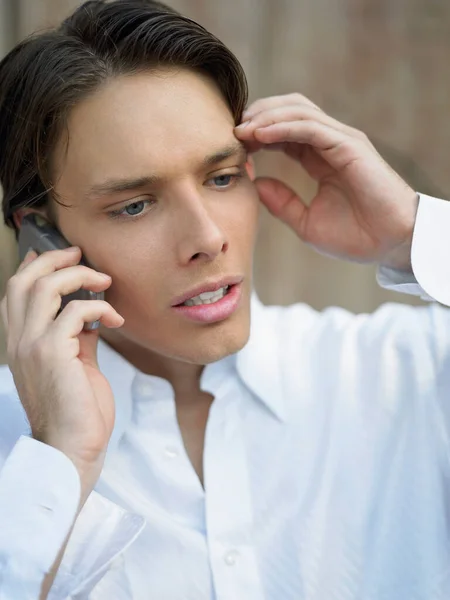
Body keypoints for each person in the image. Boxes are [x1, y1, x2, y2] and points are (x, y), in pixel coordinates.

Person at [0, 0, 449, 598]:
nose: (209, 238)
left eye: (221, 177)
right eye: (135, 204)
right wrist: (61, 462)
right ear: (43, 235)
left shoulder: (408, 372)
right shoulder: (21, 456)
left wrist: (415, 235)